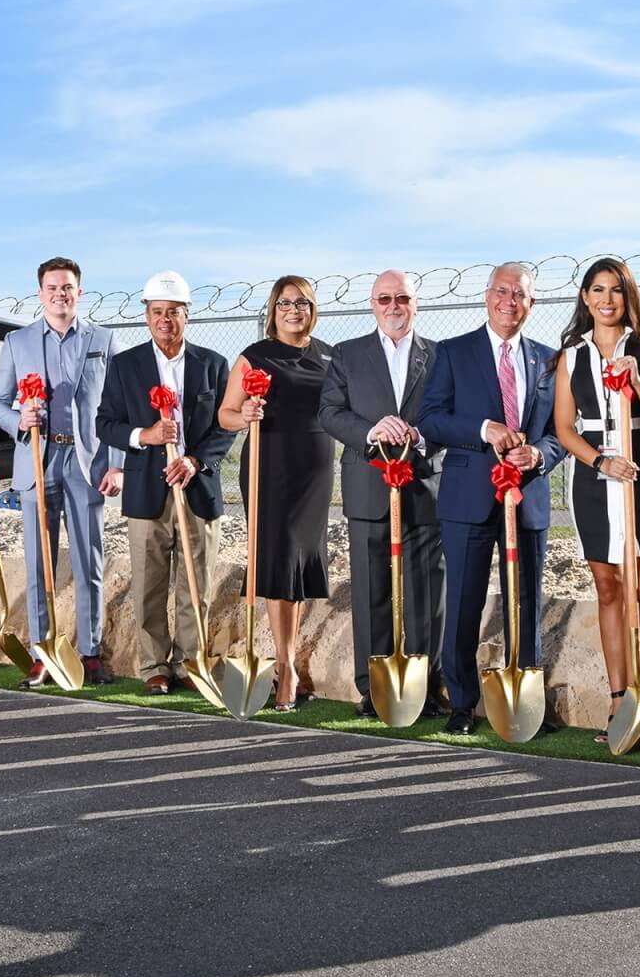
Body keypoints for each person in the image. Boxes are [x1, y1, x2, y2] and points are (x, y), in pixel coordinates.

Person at [418, 262, 567, 736]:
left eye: (519, 294)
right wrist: (485, 430)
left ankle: (526, 700)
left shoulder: (548, 361)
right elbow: (432, 420)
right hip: (468, 499)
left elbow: (562, 433)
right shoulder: (453, 352)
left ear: (532, 303)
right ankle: (463, 702)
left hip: (527, 500)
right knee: (463, 602)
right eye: (502, 292)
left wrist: (538, 455)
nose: (510, 301)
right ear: (486, 297)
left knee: (525, 601)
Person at [550, 258, 640, 750]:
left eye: (616, 291)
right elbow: (564, 428)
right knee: (608, 586)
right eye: (597, 290)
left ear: (629, 298)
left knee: (639, 587)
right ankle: (618, 698)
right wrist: (601, 463)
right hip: (595, 477)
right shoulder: (571, 356)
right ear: (585, 298)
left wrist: (636, 381)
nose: (607, 300)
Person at [96, 270, 236, 696]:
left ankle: (190, 662)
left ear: (187, 316)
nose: (165, 320)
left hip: (197, 492)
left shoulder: (212, 365)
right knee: (150, 586)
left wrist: (195, 461)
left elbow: (225, 428)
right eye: (157, 312)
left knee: (196, 586)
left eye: (173, 313)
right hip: (146, 493)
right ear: (147, 316)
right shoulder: (125, 366)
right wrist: (146, 436)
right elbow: (106, 423)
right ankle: (154, 666)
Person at [0, 257, 124, 687]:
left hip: (87, 464)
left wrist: (117, 465)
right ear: (40, 293)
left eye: (67, 287)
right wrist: (18, 421)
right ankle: (43, 652)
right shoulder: (17, 341)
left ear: (79, 292)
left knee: (89, 563)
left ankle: (90, 652)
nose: (60, 294)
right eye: (52, 287)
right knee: (38, 564)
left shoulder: (103, 340)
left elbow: (119, 407)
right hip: (37, 462)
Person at [319, 270, 447, 719]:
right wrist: (371, 430)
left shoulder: (438, 356)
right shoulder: (348, 355)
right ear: (372, 305)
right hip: (368, 486)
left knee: (426, 589)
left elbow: (451, 413)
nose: (394, 306)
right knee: (372, 589)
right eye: (384, 299)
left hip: (424, 485)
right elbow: (330, 412)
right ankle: (372, 688)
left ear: (415, 303)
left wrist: (422, 436)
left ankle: (426, 686)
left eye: (403, 298)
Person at [219, 275, 336, 711]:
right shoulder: (255, 356)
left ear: (312, 308)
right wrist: (244, 412)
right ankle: (285, 664)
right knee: (278, 562)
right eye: (285, 303)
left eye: (302, 302)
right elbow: (225, 415)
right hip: (270, 466)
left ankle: (288, 659)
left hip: (316, 469)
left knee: (300, 567)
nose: (294, 310)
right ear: (273, 309)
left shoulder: (329, 355)